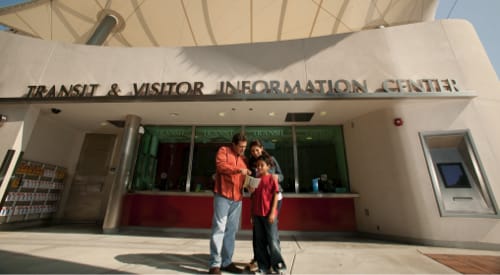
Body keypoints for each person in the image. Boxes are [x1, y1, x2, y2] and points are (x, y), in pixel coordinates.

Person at [208, 133, 251, 274]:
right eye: (241, 146)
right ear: (234, 144)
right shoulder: (224, 151)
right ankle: (215, 264)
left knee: (231, 231)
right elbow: (221, 167)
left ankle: (227, 262)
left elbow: (243, 181)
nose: (243, 149)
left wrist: (249, 185)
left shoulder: (244, 160)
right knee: (219, 228)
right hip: (223, 195)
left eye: (245, 147)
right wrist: (239, 170)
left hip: (237, 198)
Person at [247, 140, 284, 272]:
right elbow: (251, 183)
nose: (255, 153)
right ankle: (259, 259)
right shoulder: (251, 164)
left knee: (271, 231)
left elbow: (281, 176)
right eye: (252, 151)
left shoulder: (271, 159)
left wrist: (275, 177)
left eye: (257, 150)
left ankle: (275, 262)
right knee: (258, 234)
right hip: (258, 201)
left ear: (262, 148)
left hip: (273, 198)